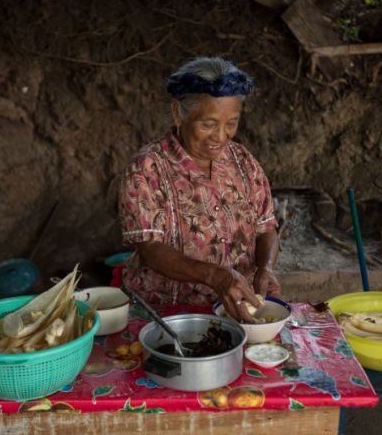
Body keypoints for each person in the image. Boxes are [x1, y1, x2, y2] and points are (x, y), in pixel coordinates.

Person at [119, 56, 280, 322]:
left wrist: (267, 267)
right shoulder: (147, 169)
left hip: (238, 310)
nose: (220, 136)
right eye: (208, 124)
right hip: (167, 315)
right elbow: (151, 250)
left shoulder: (244, 162)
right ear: (177, 113)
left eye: (231, 123)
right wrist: (215, 276)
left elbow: (267, 228)